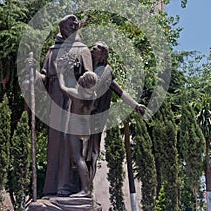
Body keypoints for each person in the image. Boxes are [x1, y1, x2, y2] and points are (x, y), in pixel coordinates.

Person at [34, 14, 93, 197]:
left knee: (69, 145)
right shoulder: (53, 50)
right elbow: (44, 77)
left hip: (71, 101)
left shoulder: (82, 50)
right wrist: (32, 73)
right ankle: (51, 188)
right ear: (61, 27)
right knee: (55, 144)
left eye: (75, 24)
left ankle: (67, 186)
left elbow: (90, 78)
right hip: (54, 101)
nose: (73, 26)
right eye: (69, 24)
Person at [87, 41, 146, 180]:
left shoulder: (106, 72)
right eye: (94, 46)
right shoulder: (85, 68)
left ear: (103, 55)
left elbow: (120, 92)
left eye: (98, 48)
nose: (94, 48)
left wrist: (135, 105)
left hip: (96, 116)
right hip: (80, 114)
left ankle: (87, 182)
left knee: (93, 150)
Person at [59, 69, 97, 197]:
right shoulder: (93, 95)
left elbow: (62, 87)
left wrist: (61, 72)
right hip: (86, 128)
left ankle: (85, 190)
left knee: (77, 158)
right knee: (79, 158)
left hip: (75, 128)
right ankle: (83, 187)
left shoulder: (76, 94)